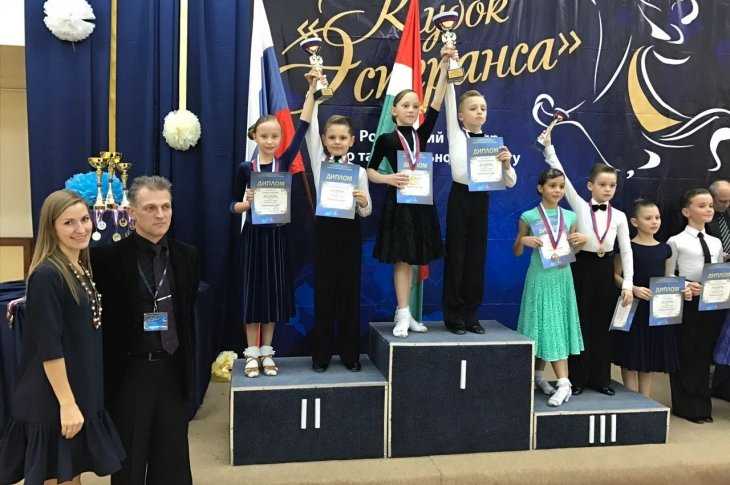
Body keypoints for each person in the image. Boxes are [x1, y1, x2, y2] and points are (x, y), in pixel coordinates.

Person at [0, 190, 124, 485]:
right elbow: (49, 348)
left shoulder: (78, 266)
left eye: (84, 219)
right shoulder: (47, 275)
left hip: (78, 387)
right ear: (51, 227)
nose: (81, 228)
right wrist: (67, 404)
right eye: (69, 222)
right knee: (56, 476)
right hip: (52, 396)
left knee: (71, 474)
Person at [92, 176, 200, 483]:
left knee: (173, 463)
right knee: (129, 463)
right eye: (150, 208)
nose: (160, 214)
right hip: (129, 374)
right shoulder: (107, 259)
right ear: (132, 213)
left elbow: (187, 313)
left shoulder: (187, 256)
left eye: (166, 207)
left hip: (172, 369)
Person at [230, 83, 315, 377]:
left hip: (277, 237)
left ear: (280, 138)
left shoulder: (285, 161)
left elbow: (303, 126)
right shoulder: (245, 168)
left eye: (274, 136)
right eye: (264, 136)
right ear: (254, 136)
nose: (269, 141)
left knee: (273, 294)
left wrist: (311, 91)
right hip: (254, 238)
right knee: (252, 295)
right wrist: (244, 204)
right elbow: (230, 205)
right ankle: (251, 353)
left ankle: (267, 351)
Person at [542, 125, 634, 396]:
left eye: (612, 185)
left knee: (602, 325)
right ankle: (578, 378)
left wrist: (628, 283)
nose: (608, 189)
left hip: (606, 269)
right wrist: (549, 148)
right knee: (580, 322)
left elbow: (626, 251)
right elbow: (562, 175)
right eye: (602, 185)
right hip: (582, 268)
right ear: (590, 186)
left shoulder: (619, 216)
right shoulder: (580, 206)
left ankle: (601, 379)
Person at [367, 48, 450, 338]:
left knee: (415, 258)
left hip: (421, 204)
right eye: (406, 105)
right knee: (402, 259)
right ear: (394, 110)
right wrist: (389, 178)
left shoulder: (421, 134)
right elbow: (370, 171)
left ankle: (408, 313)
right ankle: (402, 312)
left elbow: (437, 102)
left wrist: (444, 65)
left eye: (415, 106)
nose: (411, 110)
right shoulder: (386, 139)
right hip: (399, 203)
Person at [442, 61, 516, 335]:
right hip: (460, 198)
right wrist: (448, 66)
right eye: (473, 108)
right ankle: (453, 316)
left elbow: (510, 181)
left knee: (476, 258)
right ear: (461, 115)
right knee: (457, 257)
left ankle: (471, 315)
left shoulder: (493, 143)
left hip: (480, 199)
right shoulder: (456, 134)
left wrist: (506, 163)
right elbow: (449, 100)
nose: (479, 112)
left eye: (483, 108)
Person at [305, 71, 372, 372]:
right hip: (324, 233)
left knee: (348, 294)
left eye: (342, 138)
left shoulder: (359, 172)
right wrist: (313, 92)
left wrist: (363, 202)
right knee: (324, 294)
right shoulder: (319, 164)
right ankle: (320, 356)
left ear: (351, 141)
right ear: (324, 140)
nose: (337, 142)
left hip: (349, 233)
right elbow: (309, 128)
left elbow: (367, 211)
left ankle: (349, 355)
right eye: (331, 137)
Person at [514, 167, 586, 407]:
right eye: (552, 186)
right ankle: (542, 377)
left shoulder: (571, 217)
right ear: (540, 188)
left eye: (561, 186)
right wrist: (523, 240)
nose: (557, 190)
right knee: (540, 324)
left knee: (556, 325)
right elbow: (517, 250)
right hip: (540, 277)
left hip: (562, 277)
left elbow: (572, 251)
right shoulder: (528, 216)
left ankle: (563, 383)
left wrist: (581, 242)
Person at [665, 188, 726, 423]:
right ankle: (686, 405)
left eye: (710, 205)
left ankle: (703, 405)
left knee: (704, 352)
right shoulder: (676, 241)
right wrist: (684, 285)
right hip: (687, 301)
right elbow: (668, 274)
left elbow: (718, 272)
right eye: (701, 206)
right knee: (686, 351)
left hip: (710, 301)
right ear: (686, 211)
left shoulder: (716, 242)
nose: (708, 209)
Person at [611, 199, 681, 398]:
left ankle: (646, 400)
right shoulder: (627, 247)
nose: (654, 221)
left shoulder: (665, 249)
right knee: (630, 355)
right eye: (648, 218)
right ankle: (631, 400)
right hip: (631, 306)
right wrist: (632, 288)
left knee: (648, 357)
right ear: (634, 222)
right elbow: (615, 275)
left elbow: (668, 277)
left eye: (657, 217)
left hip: (655, 310)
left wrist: (681, 288)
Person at [706, 179, 730, 401]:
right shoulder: (705, 220)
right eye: (722, 201)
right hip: (713, 280)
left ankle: (723, 384)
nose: (726, 204)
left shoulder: (728, 216)